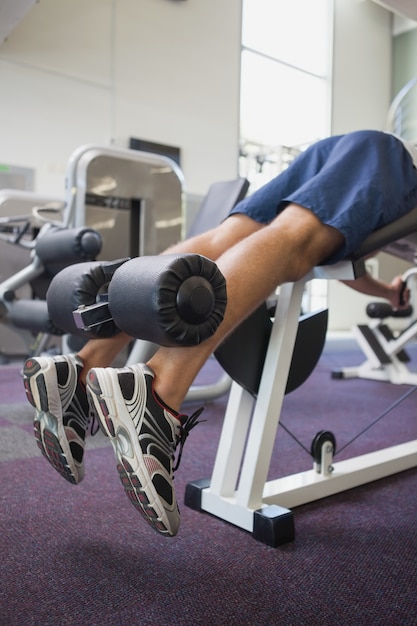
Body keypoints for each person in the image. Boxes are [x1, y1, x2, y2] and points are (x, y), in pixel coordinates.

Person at [23, 129, 417, 537]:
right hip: (393, 157)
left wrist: (387, 292)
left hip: (345, 147)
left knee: (224, 239)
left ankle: (81, 367)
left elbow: (338, 249)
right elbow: (307, 242)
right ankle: (158, 390)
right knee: (295, 242)